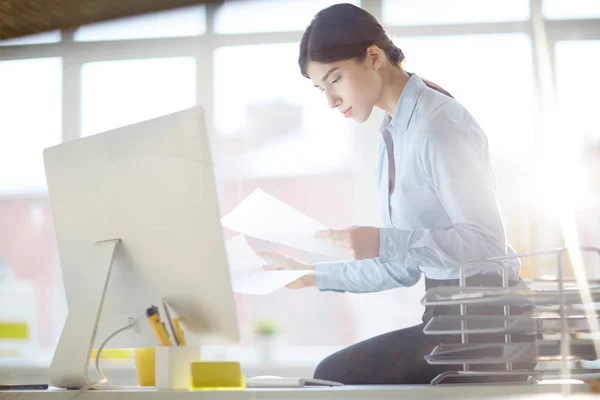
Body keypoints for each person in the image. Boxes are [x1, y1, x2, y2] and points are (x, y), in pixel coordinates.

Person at [258, 3, 532, 385]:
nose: (330, 100)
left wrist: (383, 240)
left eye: (335, 79)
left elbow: (486, 245)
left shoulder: (439, 125)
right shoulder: (393, 134)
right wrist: (307, 274)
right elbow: (400, 267)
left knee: (332, 376)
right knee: (332, 376)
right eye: (321, 88)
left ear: (373, 57)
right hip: (449, 321)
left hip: (489, 328)